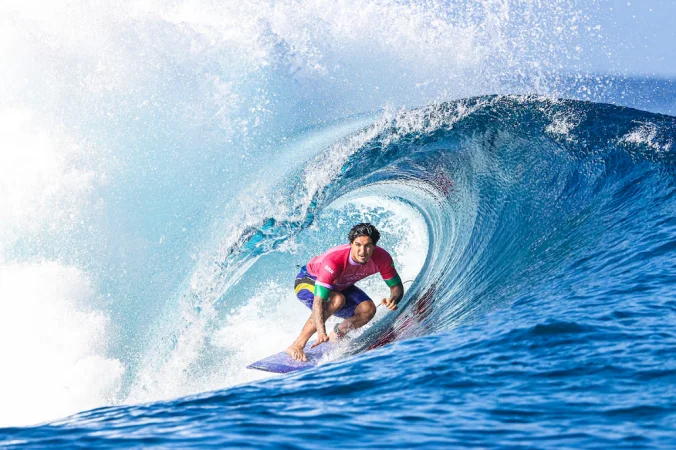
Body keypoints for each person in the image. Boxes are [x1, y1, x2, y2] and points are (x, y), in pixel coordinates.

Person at [286, 223, 404, 361]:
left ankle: (337, 334)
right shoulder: (335, 260)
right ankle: (297, 345)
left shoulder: (382, 258)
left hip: (339, 286)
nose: (362, 251)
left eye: (368, 245)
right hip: (307, 280)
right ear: (351, 244)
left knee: (368, 309)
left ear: (374, 246)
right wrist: (321, 331)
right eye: (358, 245)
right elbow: (319, 301)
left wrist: (393, 300)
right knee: (337, 299)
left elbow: (396, 287)